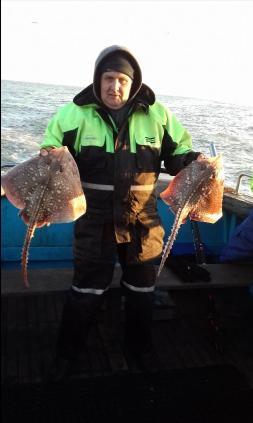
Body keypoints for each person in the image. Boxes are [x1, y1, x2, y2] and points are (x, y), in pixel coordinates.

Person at [41, 45, 202, 379]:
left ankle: (140, 352)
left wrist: (193, 161)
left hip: (143, 218)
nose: (114, 86)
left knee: (142, 290)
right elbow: (49, 159)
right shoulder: (73, 115)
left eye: (121, 80)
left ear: (134, 84)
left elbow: (178, 153)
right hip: (93, 219)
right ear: (98, 79)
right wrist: (46, 164)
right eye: (108, 78)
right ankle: (66, 355)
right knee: (86, 289)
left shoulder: (158, 115)